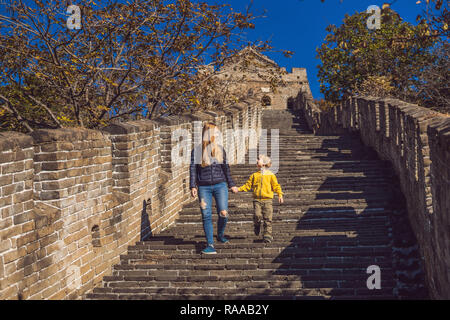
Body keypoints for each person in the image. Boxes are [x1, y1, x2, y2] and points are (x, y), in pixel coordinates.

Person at [189, 122, 238, 254]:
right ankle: (210, 244)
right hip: (203, 187)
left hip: (220, 185)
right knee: (206, 215)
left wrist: (231, 184)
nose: (218, 134)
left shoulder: (220, 150)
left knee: (223, 213)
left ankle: (220, 235)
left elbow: (226, 168)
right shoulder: (197, 151)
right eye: (216, 132)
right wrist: (192, 185)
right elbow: (193, 168)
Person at [237, 155, 284, 243]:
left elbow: (276, 186)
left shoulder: (271, 175)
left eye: (259, 159)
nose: (256, 160)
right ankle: (257, 224)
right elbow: (247, 186)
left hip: (268, 200)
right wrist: (238, 189)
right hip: (257, 200)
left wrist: (280, 195)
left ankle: (267, 235)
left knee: (268, 218)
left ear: (264, 163)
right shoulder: (254, 175)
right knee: (257, 215)